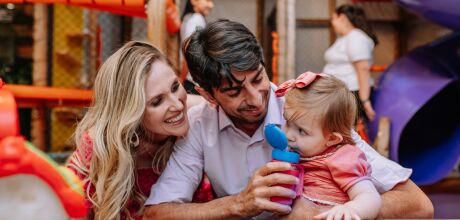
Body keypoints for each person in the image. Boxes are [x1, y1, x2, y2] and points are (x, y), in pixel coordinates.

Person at [143, 19, 433, 219]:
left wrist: (314, 210)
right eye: (234, 92)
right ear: (207, 95)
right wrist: (238, 204)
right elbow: (157, 213)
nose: (256, 99)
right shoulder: (199, 124)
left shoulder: (306, 108)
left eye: (258, 78)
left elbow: (418, 205)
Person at [66, 41, 200, 220]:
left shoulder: (199, 117)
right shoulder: (102, 147)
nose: (177, 104)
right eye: (157, 101)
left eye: (175, 87)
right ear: (132, 113)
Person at [276, 71, 381, 219]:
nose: (288, 135)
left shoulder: (342, 158)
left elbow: (370, 197)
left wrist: (351, 210)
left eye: (301, 131)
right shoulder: (299, 153)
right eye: (287, 123)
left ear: (331, 139)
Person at [323, 4, 377, 122]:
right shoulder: (345, 38)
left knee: (348, 132)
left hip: (352, 94)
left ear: (341, 17)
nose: (332, 23)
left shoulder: (356, 38)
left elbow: (363, 69)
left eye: (334, 18)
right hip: (342, 94)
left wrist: (364, 101)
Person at [179, 0, 214, 94]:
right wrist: (181, 79)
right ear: (193, 1)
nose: (211, 5)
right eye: (207, 1)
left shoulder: (188, 18)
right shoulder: (197, 20)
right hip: (194, 81)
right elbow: (189, 52)